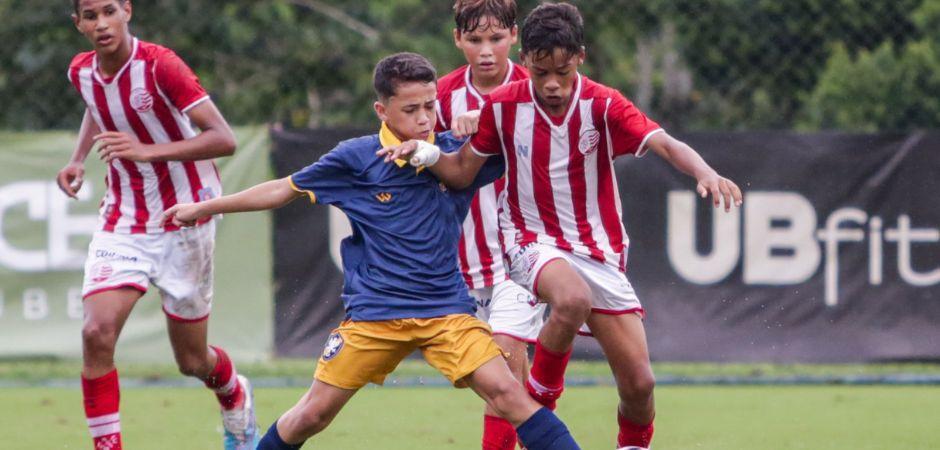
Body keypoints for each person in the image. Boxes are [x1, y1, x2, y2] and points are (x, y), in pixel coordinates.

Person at [163, 52, 582, 450]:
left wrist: (486, 120)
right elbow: (280, 188)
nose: (424, 119)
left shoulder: (454, 152)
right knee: (312, 415)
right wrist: (205, 207)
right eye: (411, 109)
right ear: (382, 111)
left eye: (430, 106)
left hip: (446, 313)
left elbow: (525, 141)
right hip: (374, 317)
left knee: (509, 394)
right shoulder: (355, 158)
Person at [379, 4, 744, 449]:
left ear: (580, 58)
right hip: (526, 242)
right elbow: (460, 172)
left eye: (563, 72)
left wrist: (704, 172)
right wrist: (425, 153)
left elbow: (664, 142)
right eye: (540, 73)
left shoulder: (604, 104)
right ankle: (542, 398)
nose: (551, 84)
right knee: (566, 305)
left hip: (597, 251)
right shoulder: (504, 106)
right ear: (527, 61)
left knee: (640, 386)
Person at [58, 1, 259, 449]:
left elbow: (223, 139)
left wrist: (146, 150)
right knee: (96, 332)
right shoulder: (81, 72)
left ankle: (234, 392)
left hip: (186, 216)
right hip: (124, 218)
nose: (102, 23)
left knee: (190, 360)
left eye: (110, 10)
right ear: (79, 24)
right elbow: (98, 105)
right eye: (90, 16)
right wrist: (76, 159)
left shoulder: (160, 65)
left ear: (127, 10)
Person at [437, 2, 542, 449]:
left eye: (496, 39)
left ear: (514, 36)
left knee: (504, 362)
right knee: (506, 384)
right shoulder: (440, 97)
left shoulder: (537, 88)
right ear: (458, 39)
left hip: (524, 252)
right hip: (464, 259)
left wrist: (487, 123)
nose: (486, 51)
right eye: (475, 40)